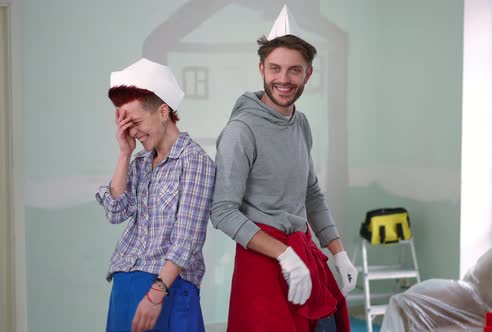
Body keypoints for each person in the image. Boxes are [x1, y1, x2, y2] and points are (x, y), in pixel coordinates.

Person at [210, 5, 358, 332]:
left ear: (308, 74)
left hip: (302, 254)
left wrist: (338, 252)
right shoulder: (241, 130)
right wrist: (284, 257)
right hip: (262, 263)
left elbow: (311, 193)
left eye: (294, 70)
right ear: (262, 68)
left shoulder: (300, 123)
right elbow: (222, 211)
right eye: (275, 68)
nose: (283, 79)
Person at [96, 58, 215, 332]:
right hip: (124, 288)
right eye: (126, 126)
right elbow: (115, 213)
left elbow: (187, 238)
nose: (133, 132)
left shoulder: (194, 161)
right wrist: (125, 154)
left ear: (163, 112)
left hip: (166, 290)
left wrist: (156, 294)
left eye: (136, 122)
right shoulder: (139, 163)